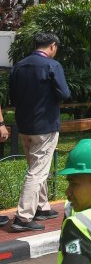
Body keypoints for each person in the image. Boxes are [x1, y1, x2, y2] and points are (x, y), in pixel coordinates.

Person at [8, 31, 70, 232]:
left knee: (36, 167)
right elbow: (64, 93)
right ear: (52, 46)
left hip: (24, 125)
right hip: (45, 126)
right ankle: (23, 218)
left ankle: (41, 208)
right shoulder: (52, 66)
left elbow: (12, 97)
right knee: (37, 171)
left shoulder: (19, 66)